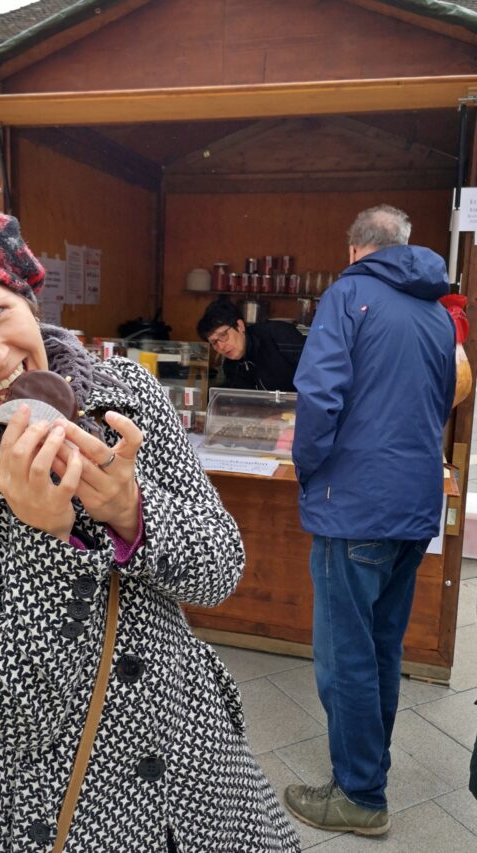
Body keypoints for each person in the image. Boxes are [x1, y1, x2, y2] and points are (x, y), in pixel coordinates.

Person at [0, 200, 300, 853]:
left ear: (29, 302)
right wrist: (43, 536)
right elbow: (16, 716)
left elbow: (220, 567)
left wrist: (130, 511)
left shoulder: (125, 400)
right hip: (52, 807)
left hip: (199, 764)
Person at [284, 204, 456, 836]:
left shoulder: (348, 294)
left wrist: (309, 471)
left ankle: (359, 794)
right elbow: (441, 402)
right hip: (414, 507)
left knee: (345, 655)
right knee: (383, 647)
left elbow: (320, 397)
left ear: (356, 248)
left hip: (353, 507)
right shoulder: (439, 314)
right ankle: (370, 772)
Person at [196, 298, 304, 391]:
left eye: (223, 335)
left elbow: (314, 372)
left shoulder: (278, 335)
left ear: (240, 326)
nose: (221, 347)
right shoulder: (231, 366)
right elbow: (245, 402)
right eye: (214, 342)